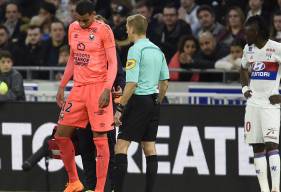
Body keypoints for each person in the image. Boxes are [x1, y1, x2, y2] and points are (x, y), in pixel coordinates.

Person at [54, 1, 117, 192]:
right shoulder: (72, 28)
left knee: (100, 138)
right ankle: (74, 181)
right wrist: (62, 85)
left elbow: (113, 63)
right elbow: (73, 59)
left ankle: (99, 188)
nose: (81, 24)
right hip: (78, 89)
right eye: (79, 20)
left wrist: (107, 89)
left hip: (98, 88)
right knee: (61, 135)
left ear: (93, 14)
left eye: (85, 20)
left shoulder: (103, 30)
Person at [113, 14, 169, 192]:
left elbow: (131, 83)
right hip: (153, 100)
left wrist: (120, 107)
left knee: (121, 145)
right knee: (149, 147)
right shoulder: (157, 50)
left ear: (132, 29)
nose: (126, 32)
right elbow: (165, 83)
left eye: (127, 28)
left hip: (139, 100)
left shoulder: (136, 50)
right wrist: (157, 101)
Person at [74, 14, 125, 192]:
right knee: (86, 148)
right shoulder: (81, 48)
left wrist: (118, 92)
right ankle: (90, 187)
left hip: (104, 107)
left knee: (107, 150)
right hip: (83, 107)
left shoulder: (111, 51)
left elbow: (120, 77)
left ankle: (108, 188)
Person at [240, 15, 281, 192]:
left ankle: (276, 188)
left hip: (270, 106)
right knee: (257, 146)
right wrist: (244, 89)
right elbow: (242, 69)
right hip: (253, 105)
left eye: (248, 32)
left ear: (257, 32)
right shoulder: (247, 49)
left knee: (272, 144)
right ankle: (264, 190)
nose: (245, 36)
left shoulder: (277, 48)